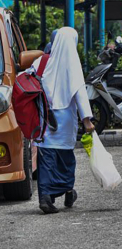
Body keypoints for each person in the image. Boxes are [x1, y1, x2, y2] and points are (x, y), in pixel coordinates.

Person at [28, 27, 95, 214]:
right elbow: (80, 94)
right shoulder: (73, 64)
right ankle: (66, 189)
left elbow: (25, 77)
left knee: (46, 158)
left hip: (44, 119)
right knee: (65, 159)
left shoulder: (41, 61)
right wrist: (87, 121)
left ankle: (45, 196)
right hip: (64, 123)